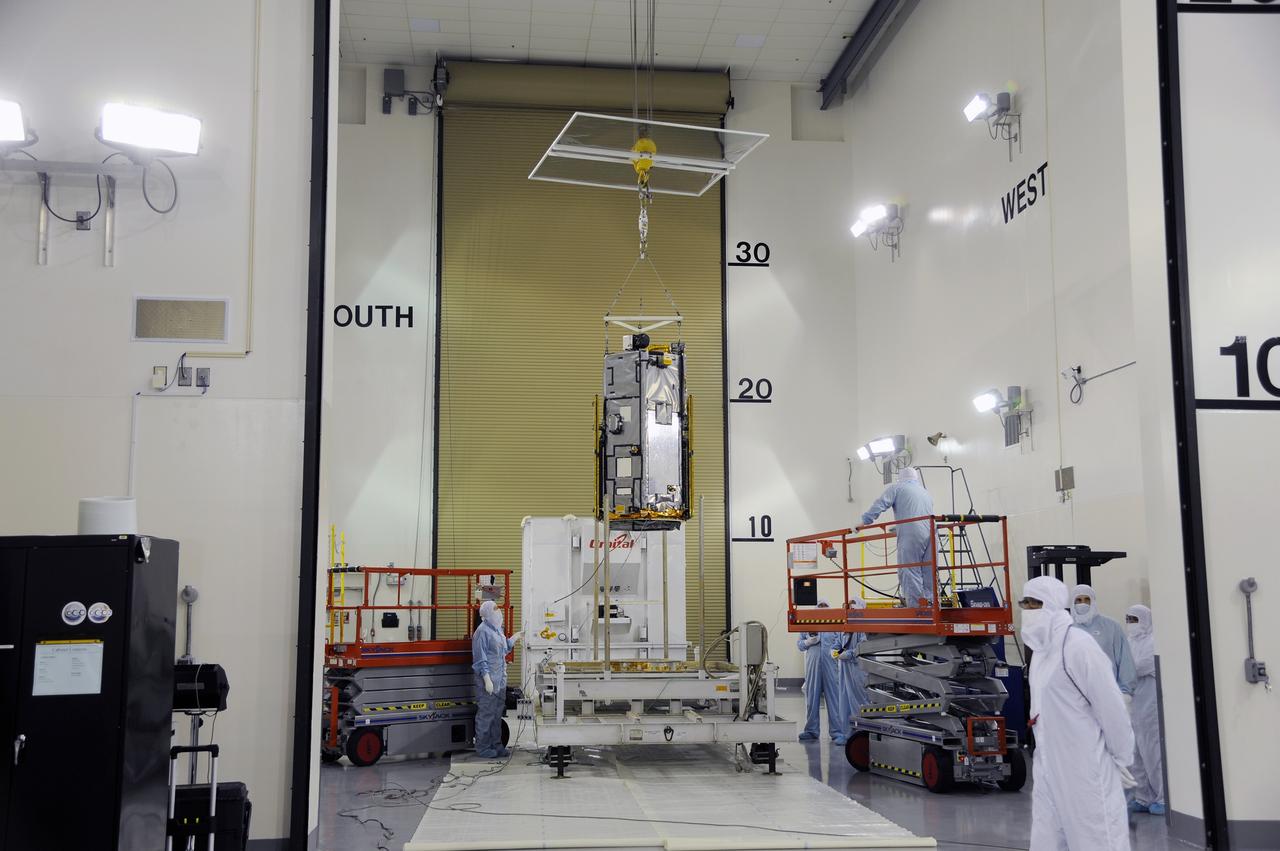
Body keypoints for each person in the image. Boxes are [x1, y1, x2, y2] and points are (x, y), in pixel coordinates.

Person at [1021, 576, 1135, 850]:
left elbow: (1111, 708)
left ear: (1051, 606)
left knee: (1096, 840)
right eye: (1024, 604)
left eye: (1033, 604)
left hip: (1084, 771)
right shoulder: (1040, 653)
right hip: (1048, 768)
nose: (1026, 611)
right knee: (1046, 841)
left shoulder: (1079, 647)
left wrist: (1122, 756)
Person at [857, 466, 936, 606]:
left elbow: (880, 504)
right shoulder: (925, 492)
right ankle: (931, 605)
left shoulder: (898, 488)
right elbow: (918, 514)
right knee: (929, 570)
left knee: (910, 569)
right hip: (932, 532)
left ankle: (917, 609)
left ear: (900, 478)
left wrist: (862, 522)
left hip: (912, 532)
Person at [1125, 604, 1165, 815]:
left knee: (1153, 751)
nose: (1131, 624)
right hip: (1133, 704)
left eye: (1135, 619)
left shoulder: (1154, 641)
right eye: (1129, 619)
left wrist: (1124, 668)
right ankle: (1143, 797)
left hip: (1149, 705)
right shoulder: (1129, 641)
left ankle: (1163, 797)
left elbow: (1139, 666)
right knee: (1136, 753)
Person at [471, 599, 522, 758]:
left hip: (499, 681)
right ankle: (483, 747)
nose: (498, 611)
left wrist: (514, 638)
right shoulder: (482, 632)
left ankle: (497, 745)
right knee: (486, 715)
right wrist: (486, 678)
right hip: (489, 681)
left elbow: (504, 649)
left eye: (498, 608)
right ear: (486, 614)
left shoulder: (497, 631)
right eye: (495, 609)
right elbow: (480, 658)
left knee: (497, 715)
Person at [1071, 584, 1138, 698]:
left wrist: (1125, 693)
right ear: (1072, 603)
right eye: (1078, 600)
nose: (1083, 603)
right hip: (1075, 697)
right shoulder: (1066, 628)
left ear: (1093, 601)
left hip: (1108, 694)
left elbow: (1125, 662)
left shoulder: (1111, 627)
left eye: (1087, 599)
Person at [796, 600, 844, 742]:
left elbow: (842, 645)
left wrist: (836, 654)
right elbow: (800, 645)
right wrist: (809, 641)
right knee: (812, 698)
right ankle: (811, 730)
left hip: (831, 665)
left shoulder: (835, 624)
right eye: (820, 606)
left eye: (825, 606)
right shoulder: (808, 624)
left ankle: (837, 732)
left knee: (834, 699)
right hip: (813, 665)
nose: (822, 609)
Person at [834, 597, 871, 745]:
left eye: (854, 607)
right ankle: (846, 733)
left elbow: (863, 647)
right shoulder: (846, 625)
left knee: (859, 701)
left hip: (857, 669)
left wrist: (848, 655)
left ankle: (863, 734)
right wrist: (834, 651)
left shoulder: (864, 626)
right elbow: (838, 642)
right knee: (844, 702)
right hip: (844, 669)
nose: (851, 610)